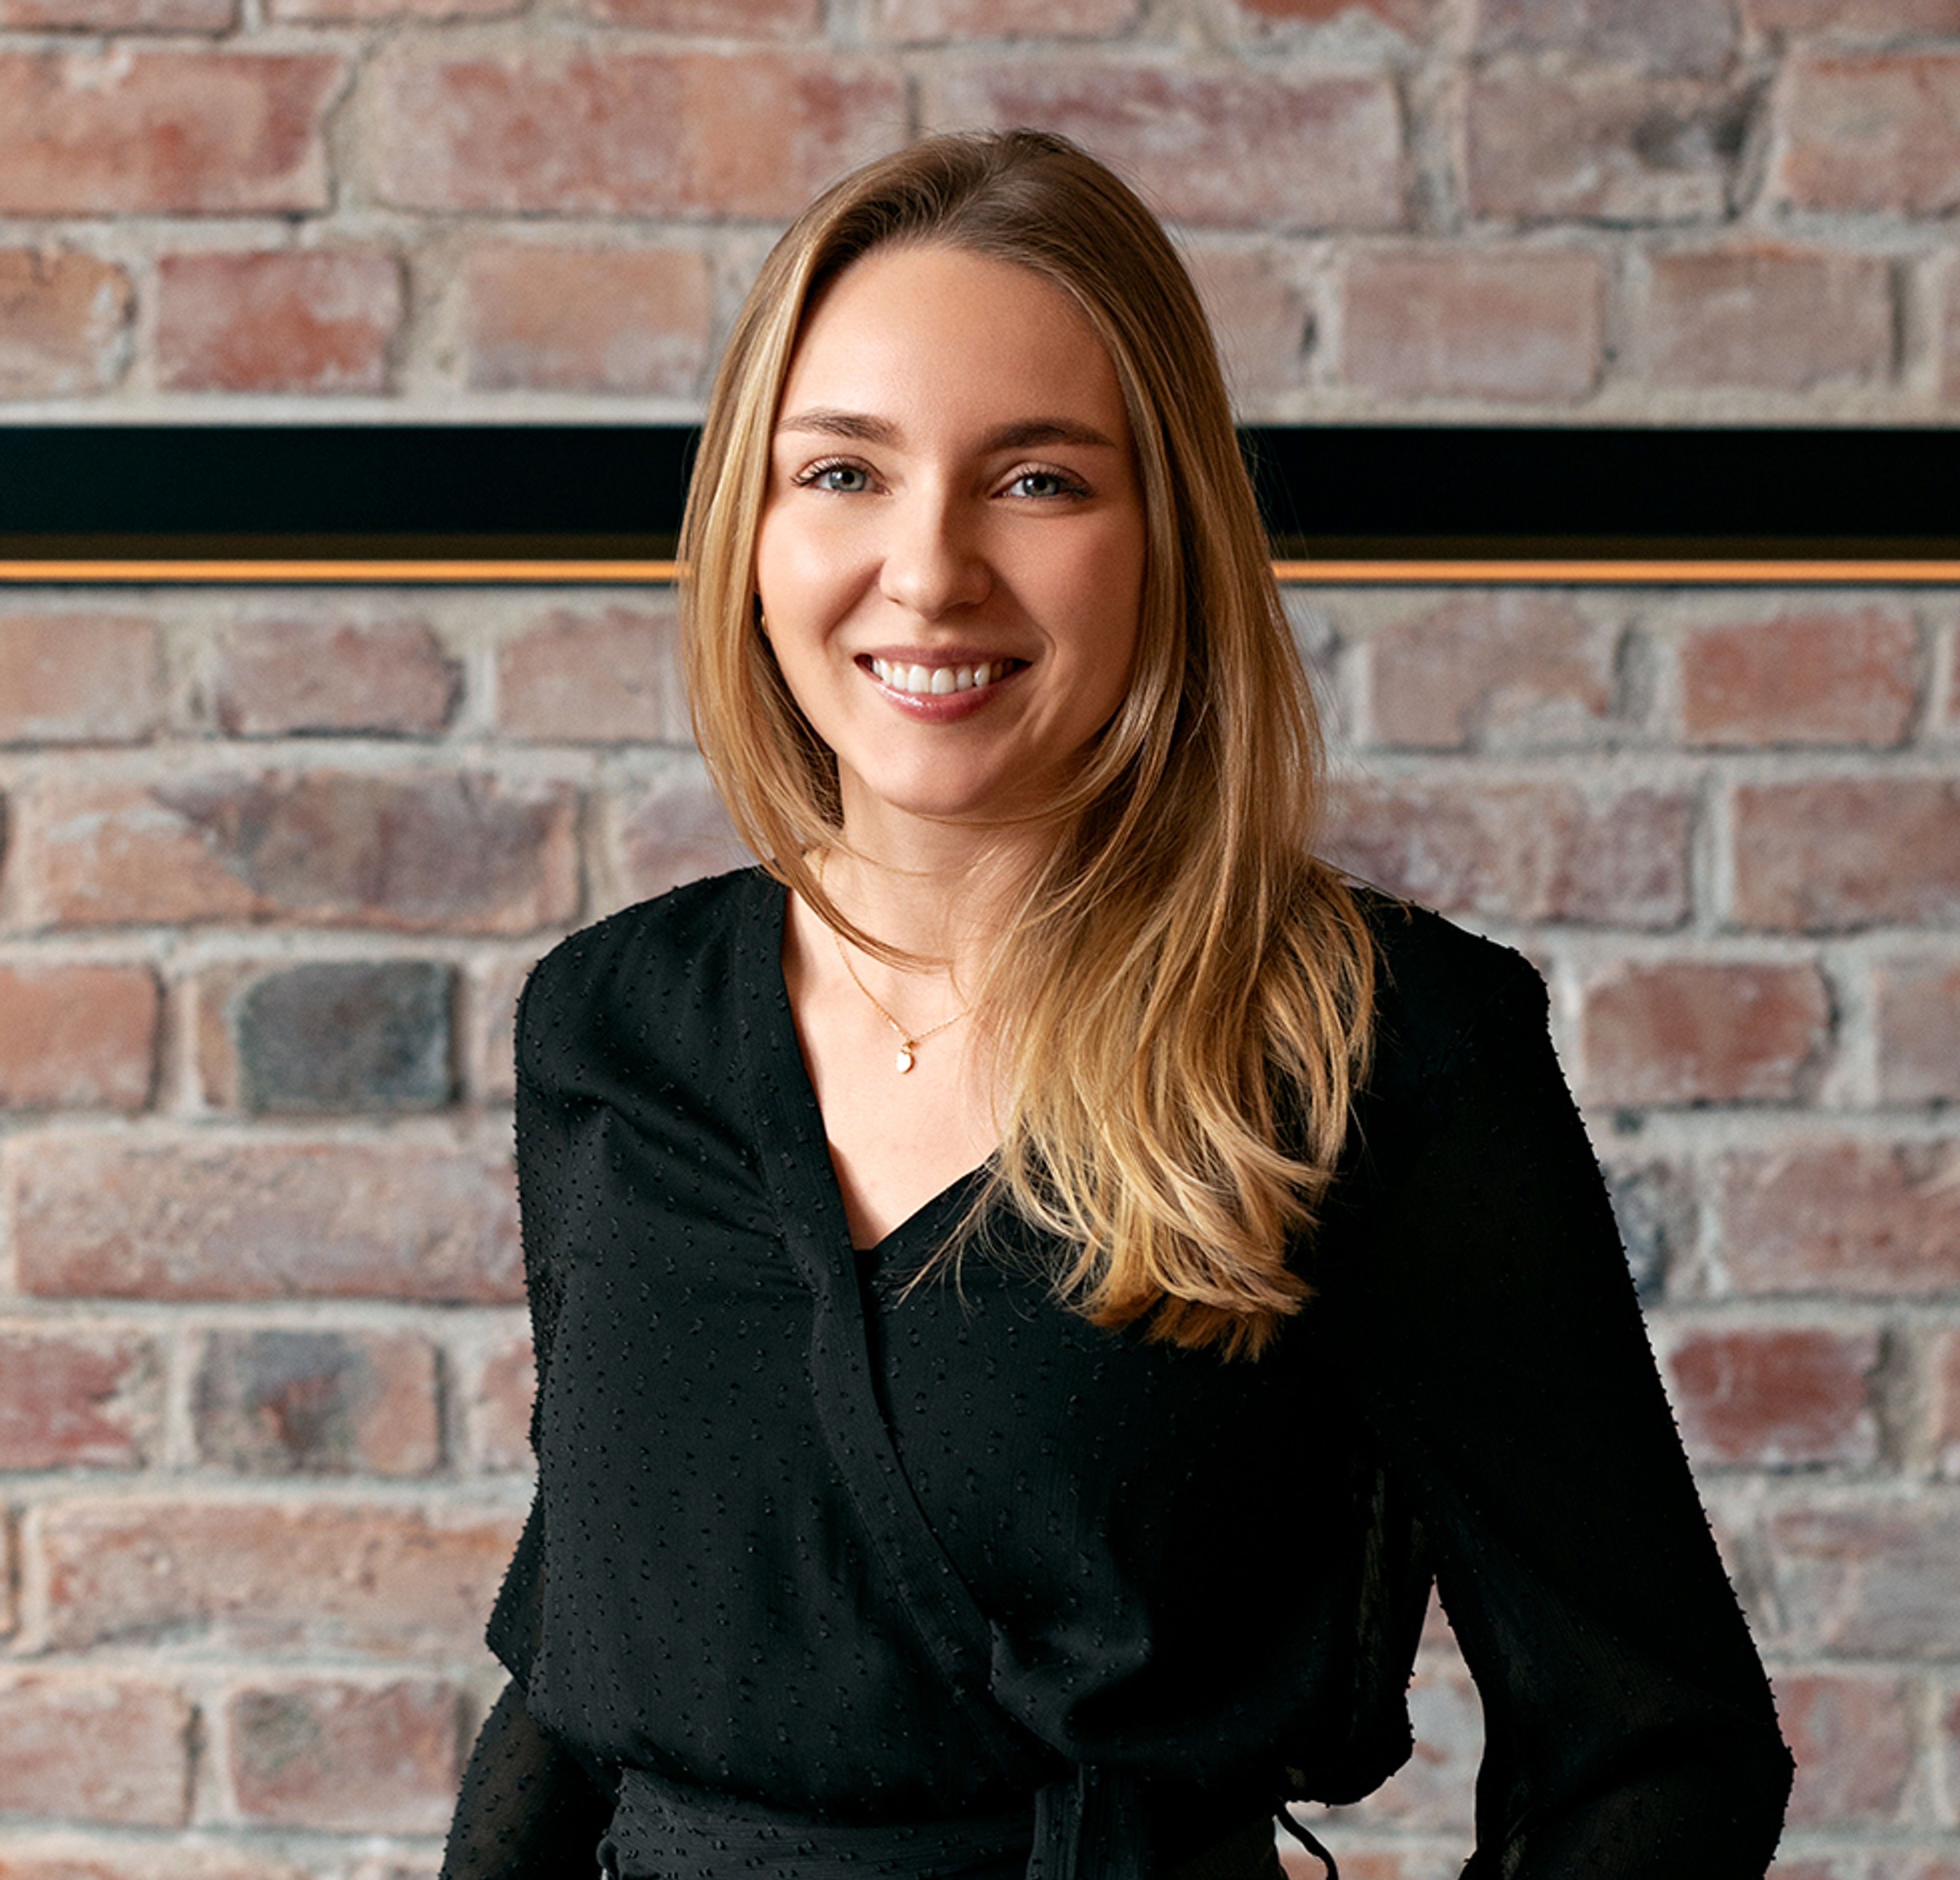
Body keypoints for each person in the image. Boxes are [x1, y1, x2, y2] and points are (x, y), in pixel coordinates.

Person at [440, 129, 1792, 1880]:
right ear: (748, 528)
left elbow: (1659, 1752)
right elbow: (590, 1672)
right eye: (843, 471)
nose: (930, 569)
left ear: (1168, 533)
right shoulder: (610, 1027)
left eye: (1037, 481)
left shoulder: (1374, 1048)